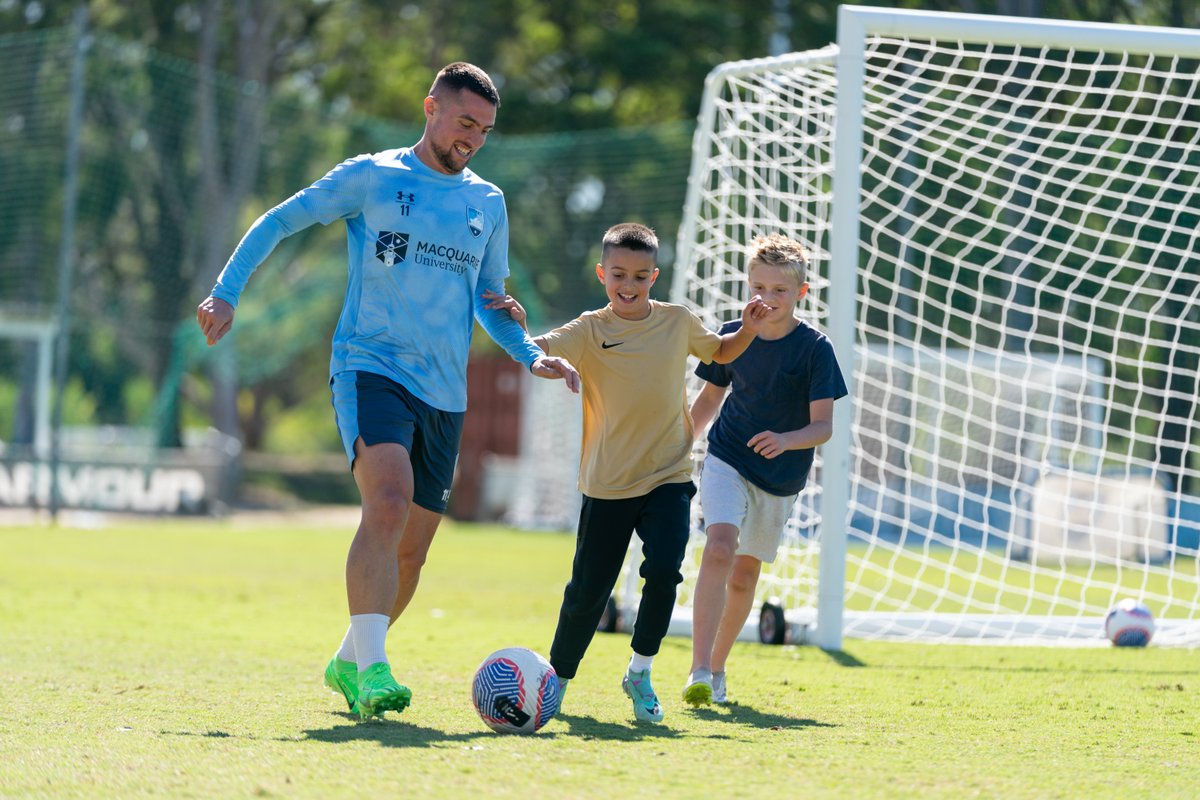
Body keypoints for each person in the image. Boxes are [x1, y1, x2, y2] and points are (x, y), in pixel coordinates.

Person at [195, 62, 579, 720]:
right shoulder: (372, 177)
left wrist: (528, 355)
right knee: (389, 499)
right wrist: (226, 291)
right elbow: (279, 221)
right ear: (430, 107)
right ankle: (374, 669)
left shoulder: (487, 203)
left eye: (484, 130)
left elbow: (490, 301)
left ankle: (349, 658)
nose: (473, 139)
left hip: (445, 393)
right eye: (464, 123)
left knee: (414, 550)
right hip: (369, 365)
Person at [483, 222, 769, 723]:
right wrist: (524, 331)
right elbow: (540, 349)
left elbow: (720, 353)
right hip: (607, 483)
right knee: (588, 592)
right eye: (619, 274)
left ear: (654, 276)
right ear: (602, 273)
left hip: (669, 475)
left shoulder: (678, 321)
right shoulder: (590, 328)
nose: (629, 284)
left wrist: (746, 328)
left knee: (664, 572)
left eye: (640, 275)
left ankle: (640, 672)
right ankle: (557, 682)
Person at [681, 233, 847, 707]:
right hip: (727, 458)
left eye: (778, 290)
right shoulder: (734, 335)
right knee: (718, 547)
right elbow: (710, 399)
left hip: (780, 480)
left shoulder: (816, 349)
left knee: (744, 576)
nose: (766, 299)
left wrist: (785, 440)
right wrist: (679, 447)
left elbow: (822, 428)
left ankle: (717, 667)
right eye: (758, 287)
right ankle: (697, 668)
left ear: (801, 293)